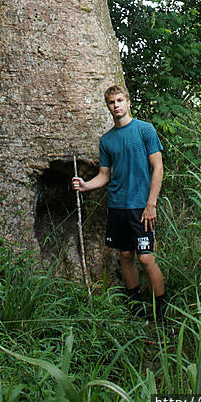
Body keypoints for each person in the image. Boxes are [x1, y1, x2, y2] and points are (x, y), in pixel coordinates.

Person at [72, 84, 167, 324]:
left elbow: (158, 168)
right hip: (117, 206)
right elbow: (104, 175)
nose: (116, 106)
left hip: (140, 206)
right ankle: (135, 308)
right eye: (111, 103)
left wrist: (151, 204)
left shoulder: (145, 130)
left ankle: (160, 313)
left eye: (119, 100)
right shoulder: (107, 140)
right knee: (125, 255)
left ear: (127, 102)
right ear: (108, 107)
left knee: (146, 258)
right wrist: (85, 185)